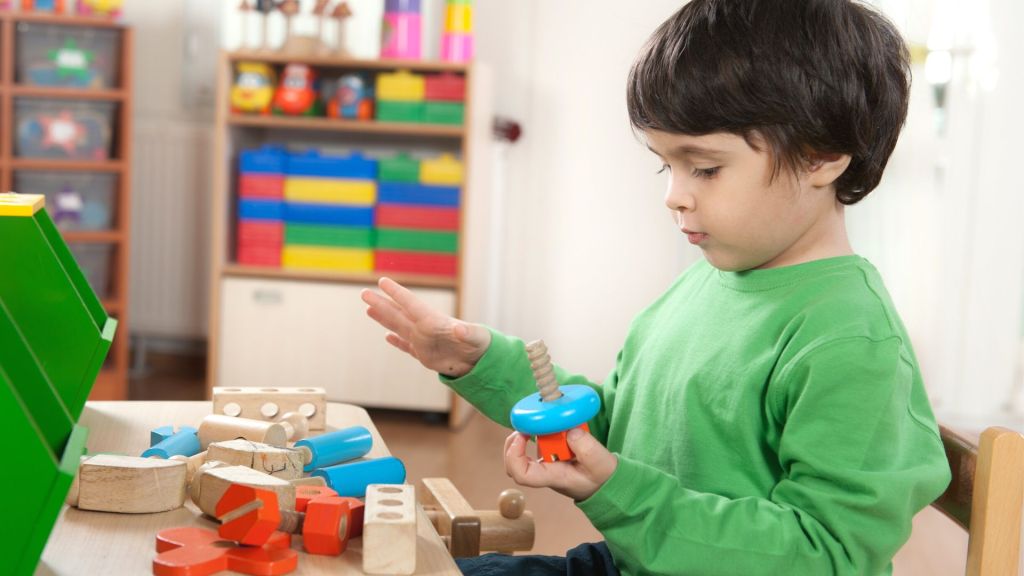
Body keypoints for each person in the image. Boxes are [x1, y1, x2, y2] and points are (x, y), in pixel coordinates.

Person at [361, 0, 951, 574]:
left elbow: (829, 555)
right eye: (664, 164)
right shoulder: (704, 284)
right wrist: (484, 363)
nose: (674, 194)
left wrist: (620, 490)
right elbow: (621, 425)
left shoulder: (850, 340)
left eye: (706, 167)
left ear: (822, 156)